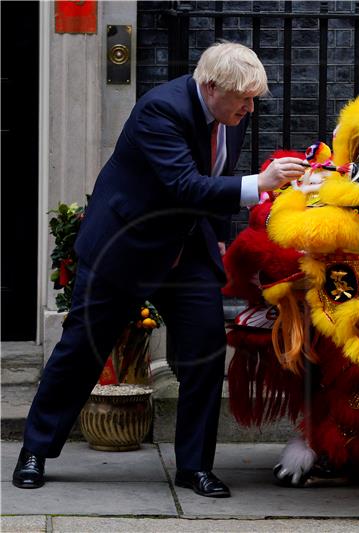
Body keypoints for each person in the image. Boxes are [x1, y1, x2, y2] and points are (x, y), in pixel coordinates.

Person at [12, 42, 306, 498]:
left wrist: (216, 233)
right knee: (80, 352)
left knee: (205, 356)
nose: (250, 108)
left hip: (185, 251)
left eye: (254, 99)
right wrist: (260, 185)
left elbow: (213, 173)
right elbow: (185, 184)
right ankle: (35, 449)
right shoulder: (159, 110)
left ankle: (194, 467)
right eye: (243, 98)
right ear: (210, 87)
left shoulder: (232, 113)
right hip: (124, 247)